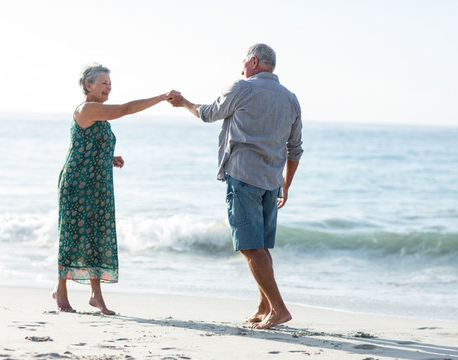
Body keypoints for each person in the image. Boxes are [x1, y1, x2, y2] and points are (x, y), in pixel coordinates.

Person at [168, 44, 303, 329]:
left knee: (250, 248)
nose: (241, 68)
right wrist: (286, 185)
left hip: (243, 177)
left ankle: (279, 309)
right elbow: (295, 149)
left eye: (244, 63)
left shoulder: (242, 88)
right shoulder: (291, 99)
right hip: (271, 181)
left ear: (253, 61)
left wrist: (184, 103)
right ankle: (264, 305)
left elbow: (207, 113)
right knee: (261, 247)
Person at [52, 63, 171, 315]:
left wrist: (109, 157)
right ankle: (60, 291)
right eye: (104, 83)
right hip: (77, 183)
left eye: (110, 83)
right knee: (72, 235)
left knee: (97, 236)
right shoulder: (88, 108)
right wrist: (160, 98)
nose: (109, 87)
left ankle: (96, 296)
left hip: (98, 183)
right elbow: (125, 109)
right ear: (88, 85)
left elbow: (89, 143)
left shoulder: (98, 113)